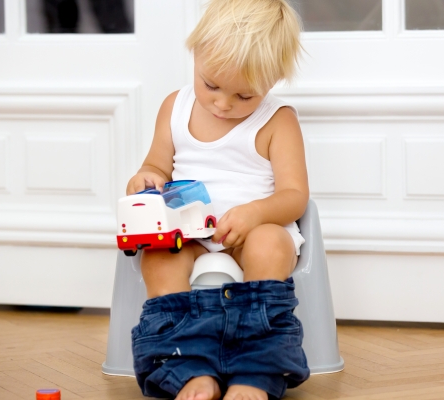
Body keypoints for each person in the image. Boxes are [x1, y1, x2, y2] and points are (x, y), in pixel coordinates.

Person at [125, 0, 309, 399]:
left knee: (268, 242)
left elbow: (295, 196)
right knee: (157, 258)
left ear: (273, 80)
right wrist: (146, 179)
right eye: (211, 85)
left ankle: (255, 373)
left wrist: (254, 214)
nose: (224, 104)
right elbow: (156, 166)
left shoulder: (278, 121)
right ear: (195, 54)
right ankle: (190, 368)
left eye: (244, 96)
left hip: (252, 236)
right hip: (188, 233)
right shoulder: (175, 108)